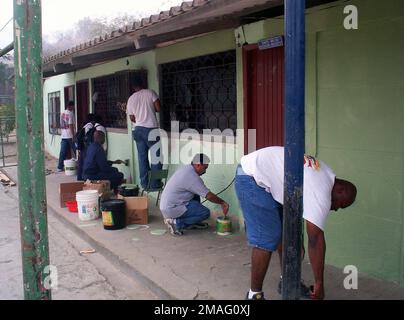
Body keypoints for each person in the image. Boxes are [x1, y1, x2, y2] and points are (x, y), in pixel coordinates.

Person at [234, 146, 357, 300]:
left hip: (268, 178)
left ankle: (288, 281)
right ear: (340, 191)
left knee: (292, 240)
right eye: (341, 204)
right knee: (267, 238)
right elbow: (315, 239)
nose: (337, 209)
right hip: (251, 176)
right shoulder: (322, 190)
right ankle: (254, 295)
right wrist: (319, 283)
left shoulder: (328, 175)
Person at [160, 154, 229, 236]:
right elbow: (209, 196)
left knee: (196, 195)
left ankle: (191, 222)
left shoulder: (186, 168)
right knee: (205, 213)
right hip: (172, 208)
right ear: (198, 165)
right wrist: (222, 202)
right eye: (205, 168)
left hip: (168, 205)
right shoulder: (192, 177)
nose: (205, 171)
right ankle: (175, 223)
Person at [126, 75, 162, 189]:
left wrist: (140, 118)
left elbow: (132, 118)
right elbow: (158, 108)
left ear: (133, 87)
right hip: (151, 129)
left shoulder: (131, 98)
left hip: (137, 130)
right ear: (143, 83)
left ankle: (145, 184)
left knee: (142, 158)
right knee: (156, 157)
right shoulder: (150, 93)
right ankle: (155, 184)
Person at [76, 114, 107, 180]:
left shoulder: (87, 126)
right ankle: (82, 179)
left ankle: (80, 178)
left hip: (85, 147)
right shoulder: (90, 126)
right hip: (86, 148)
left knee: (82, 163)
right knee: (86, 164)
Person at [57, 101, 76, 172]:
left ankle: (60, 167)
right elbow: (71, 125)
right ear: (70, 106)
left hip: (63, 136)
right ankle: (81, 165)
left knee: (62, 152)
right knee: (76, 150)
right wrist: (74, 135)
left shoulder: (62, 113)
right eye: (73, 106)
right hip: (70, 136)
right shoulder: (70, 113)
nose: (74, 108)